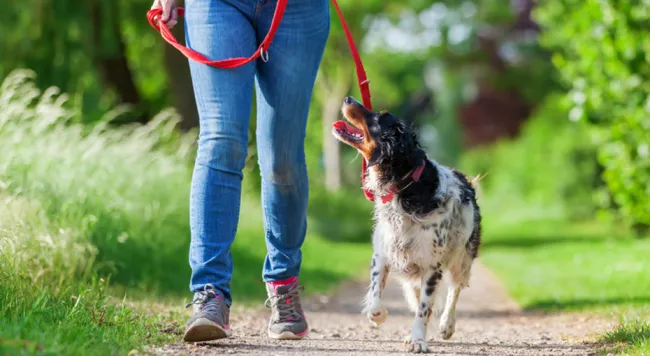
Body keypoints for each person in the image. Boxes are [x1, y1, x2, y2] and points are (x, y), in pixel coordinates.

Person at [150, 0, 330, 342]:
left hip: (297, 10)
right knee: (221, 140)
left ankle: (283, 283)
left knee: (282, 157)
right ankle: (209, 292)